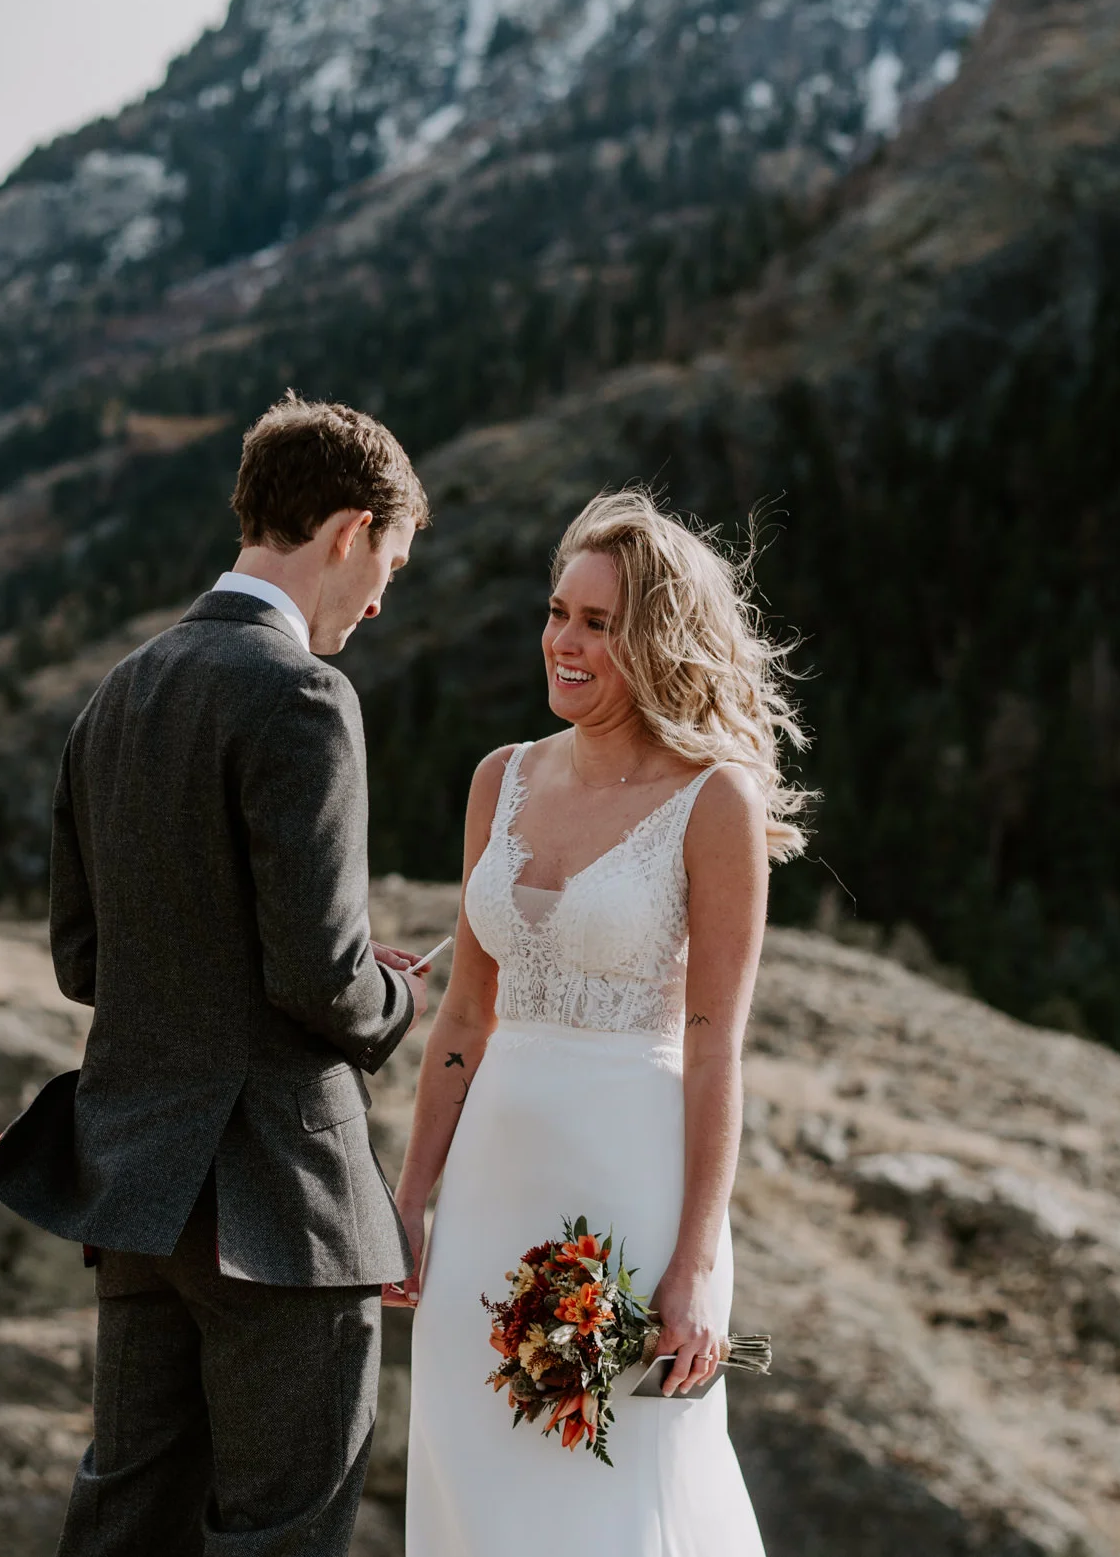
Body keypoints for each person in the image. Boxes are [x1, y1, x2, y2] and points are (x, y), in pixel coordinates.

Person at [0, 393, 434, 1557]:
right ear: (346, 531)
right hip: (281, 1200)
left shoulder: (112, 697)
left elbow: (85, 960)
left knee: (126, 1524)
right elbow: (321, 978)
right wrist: (395, 999)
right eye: (385, 559)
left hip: (135, 1190)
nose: (381, 598)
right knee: (283, 1534)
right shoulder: (302, 696)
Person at [393, 489, 809, 1556]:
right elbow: (465, 1013)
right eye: (557, 612)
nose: (563, 642)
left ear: (658, 640)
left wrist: (693, 1265)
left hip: (627, 1192)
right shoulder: (503, 778)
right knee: (474, 1489)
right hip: (486, 1192)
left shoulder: (713, 801)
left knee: (614, 1505)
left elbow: (719, 1048)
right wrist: (407, 1199)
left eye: (598, 623)